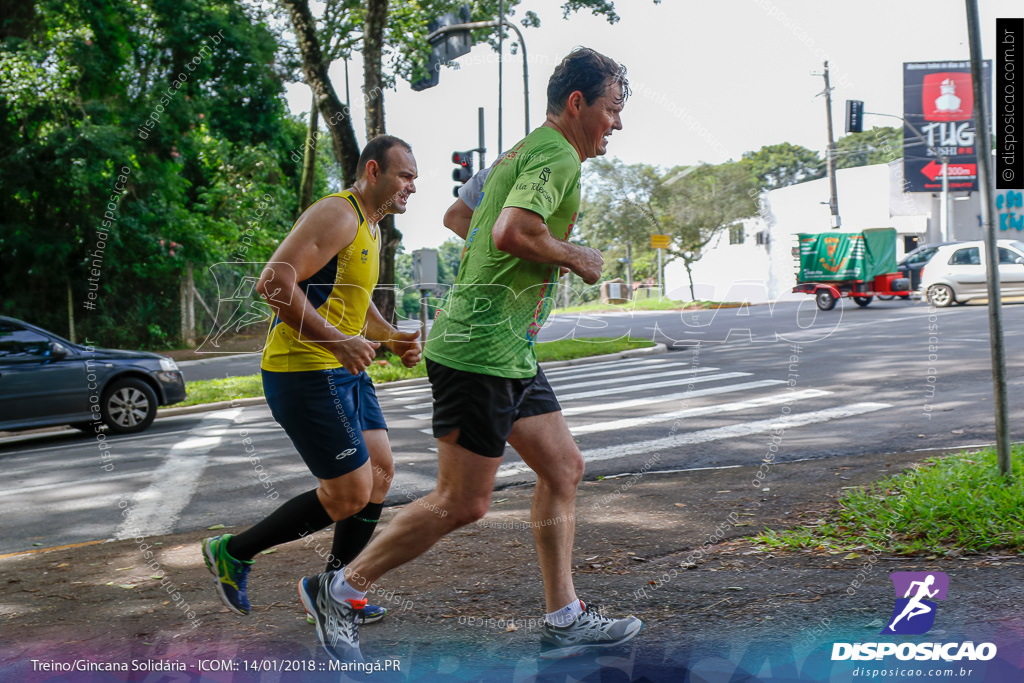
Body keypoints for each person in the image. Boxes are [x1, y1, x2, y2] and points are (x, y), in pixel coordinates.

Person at [299, 47, 642, 662]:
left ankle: (564, 618)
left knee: (563, 468)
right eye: (612, 110)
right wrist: (576, 256)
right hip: (480, 349)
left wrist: (517, 260)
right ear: (576, 104)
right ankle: (340, 588)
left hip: (509, 346)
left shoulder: (526, 152)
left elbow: (468, 217)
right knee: (462, 502)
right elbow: (511, 230)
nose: (616, 123)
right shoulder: (557, 155)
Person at [201, 134, 422, 628]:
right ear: (372, 172)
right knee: (347, 493)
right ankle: (233, 551)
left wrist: (390, 338)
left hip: (341, 370)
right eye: (404, 176)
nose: (412, 187)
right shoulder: (338, 213)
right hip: (302, 370)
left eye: (414, 179)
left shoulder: (370, 226)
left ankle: (334, 591)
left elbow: (351, 302)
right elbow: (273, 282)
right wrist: (336, 344)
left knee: (380, 475)